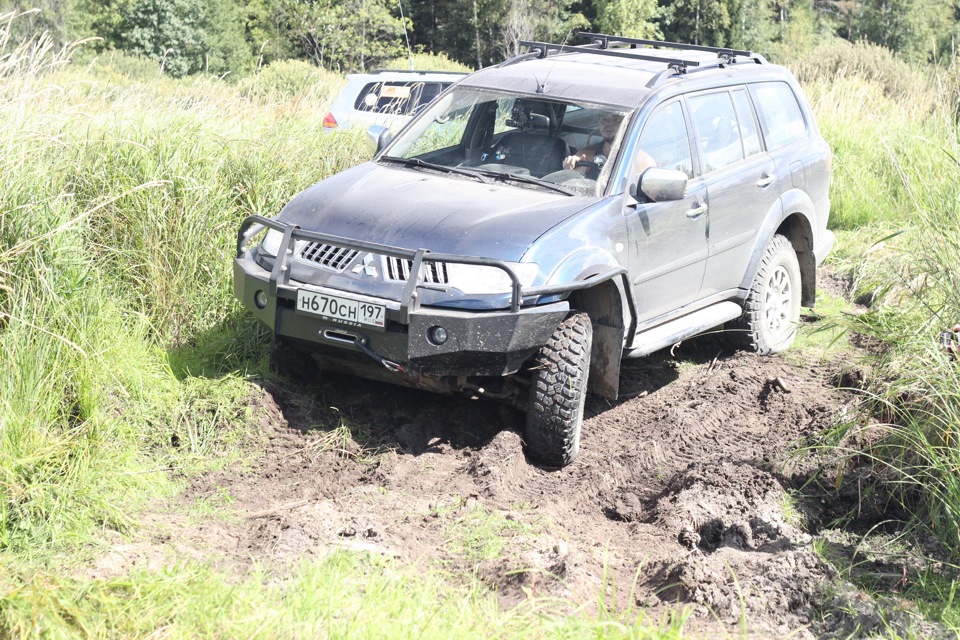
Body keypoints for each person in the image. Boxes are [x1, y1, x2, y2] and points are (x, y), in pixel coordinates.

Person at [563, 111, 624, 177]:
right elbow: (573, 180)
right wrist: (571, 165)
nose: (608, 124)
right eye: (604, 119)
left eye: (615, 120)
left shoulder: (631, 158)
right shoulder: (586, 155)